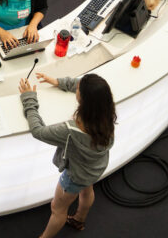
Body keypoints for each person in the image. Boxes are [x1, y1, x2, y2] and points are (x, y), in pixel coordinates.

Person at [18, 72, 117, 238]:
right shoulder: (105, 110)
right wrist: (57, 81)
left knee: (58, 209)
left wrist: (28, 98)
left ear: (83, 99)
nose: (76, 86)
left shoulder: (70, 131)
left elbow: (38, 131)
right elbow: (85, 86)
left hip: (75, 177)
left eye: (78, 89)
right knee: (87, 190)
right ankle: (79, 219)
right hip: (94, 169)